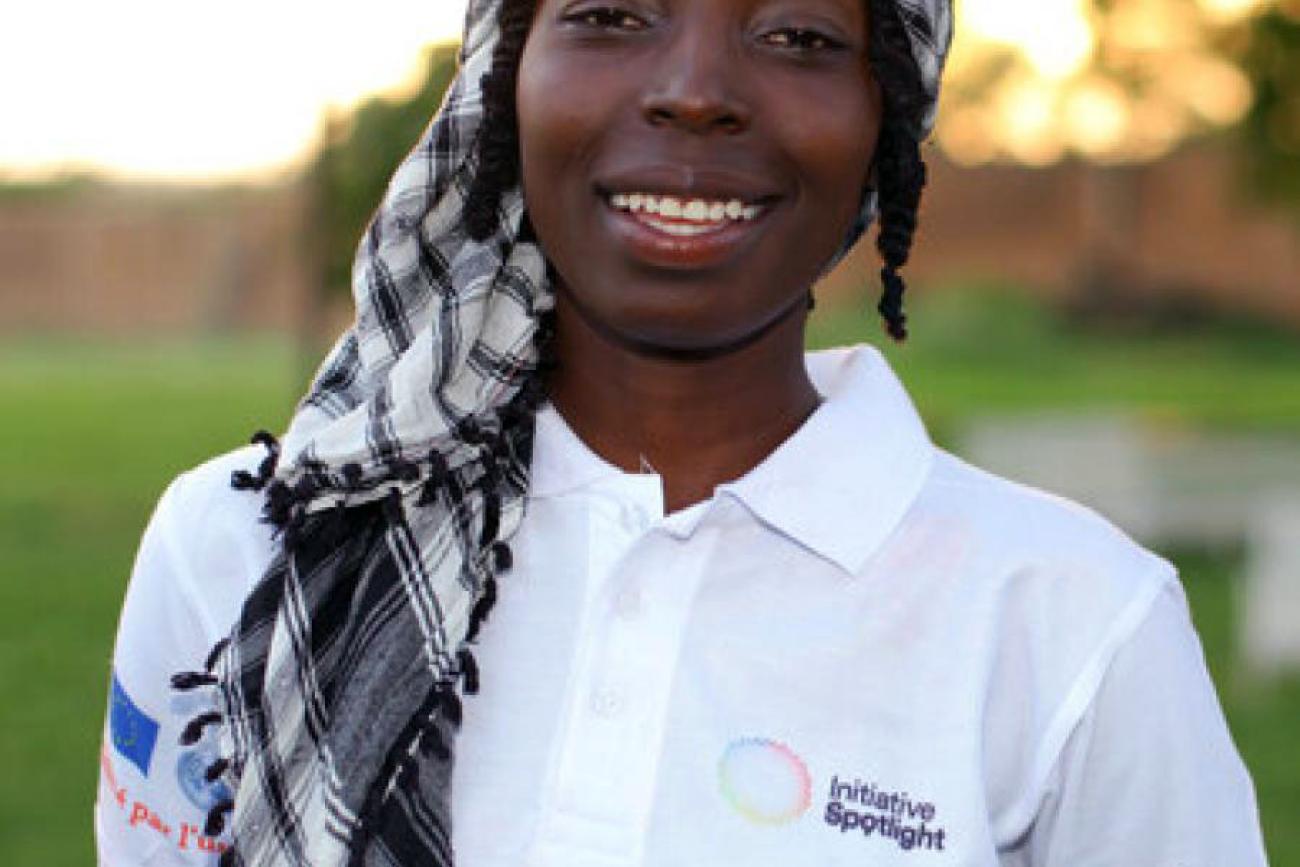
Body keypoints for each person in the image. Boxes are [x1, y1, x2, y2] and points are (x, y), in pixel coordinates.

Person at [97, 0, 1270, 864]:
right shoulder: (246, 553)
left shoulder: (1073, 631)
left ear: (886, 123)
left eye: (799, 37)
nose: (695, 88)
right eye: (611, 14)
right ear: (505, 79)